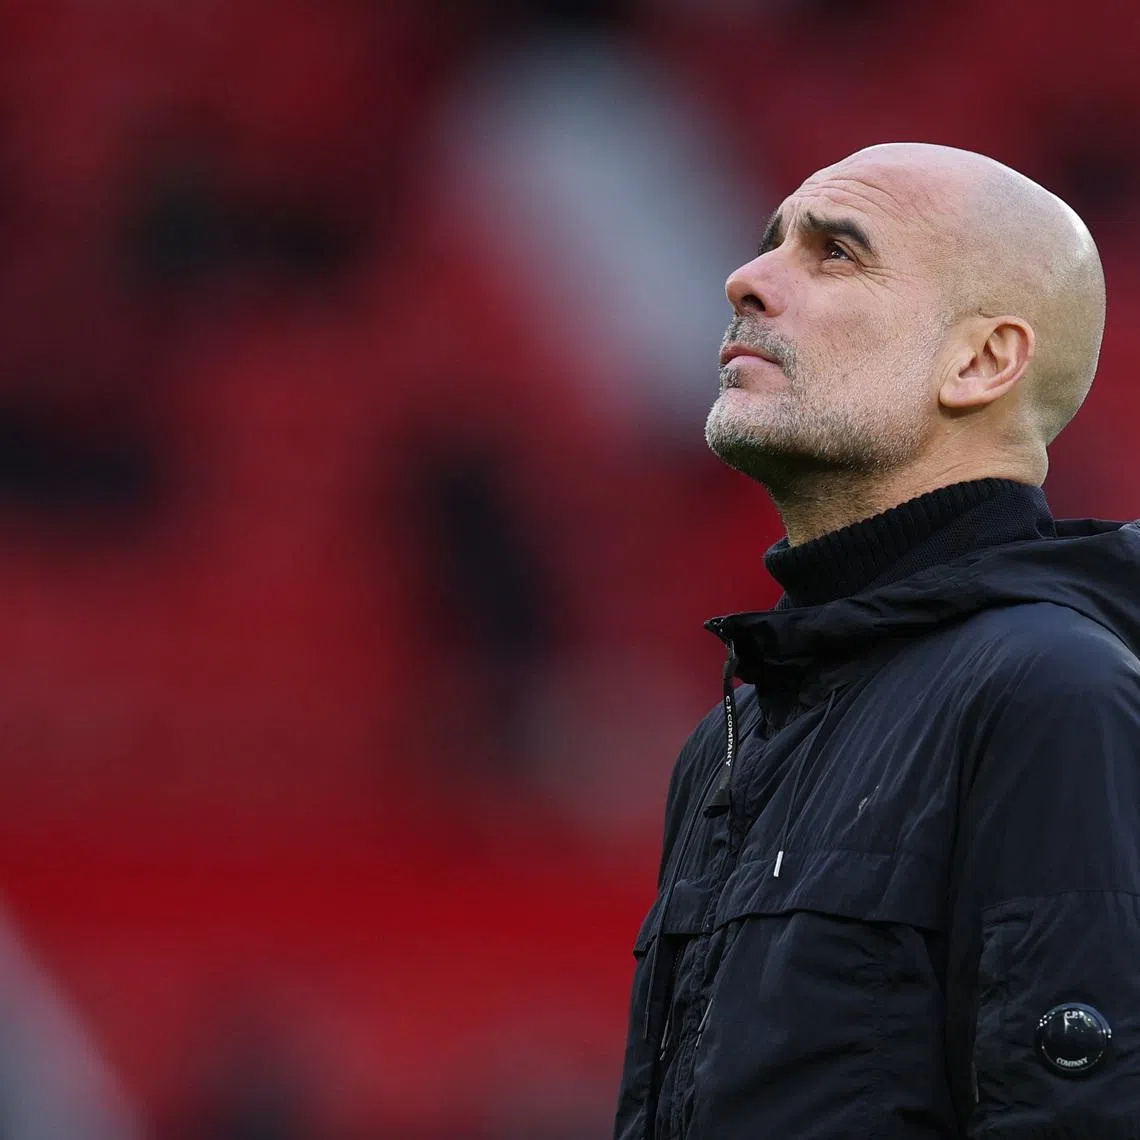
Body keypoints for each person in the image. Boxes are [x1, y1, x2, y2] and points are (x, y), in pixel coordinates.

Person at [612, 142, 1140, 1139]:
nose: (747, 277)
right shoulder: (729, 740)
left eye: (835, 253)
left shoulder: (1054, 695)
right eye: (772, 243)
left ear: (981, 361)